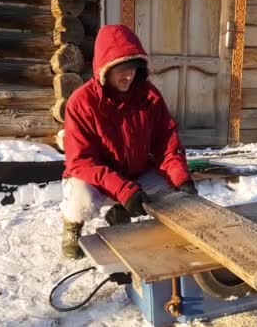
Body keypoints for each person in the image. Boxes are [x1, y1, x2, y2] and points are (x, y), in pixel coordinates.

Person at [60, 24, 198, 259]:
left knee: (175, 193)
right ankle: (72, 227)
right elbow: (81, 162)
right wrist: (122, 189)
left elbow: (166, 142)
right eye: (121, 70)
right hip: (98, 181)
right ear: (104, 69)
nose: (129, 76)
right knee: (79, 199)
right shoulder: (81, 102)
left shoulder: (149, 96)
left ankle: (119, 211)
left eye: (133, 68)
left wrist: (181, 177)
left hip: (136, 174)